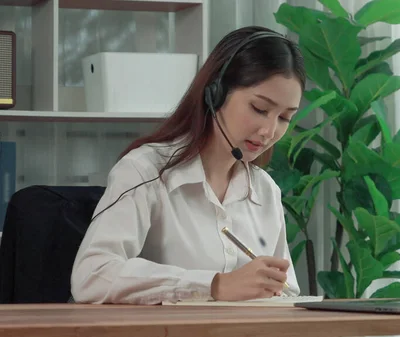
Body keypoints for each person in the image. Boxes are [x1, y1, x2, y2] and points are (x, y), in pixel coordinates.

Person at [70, 26, 306, 305]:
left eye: (284, 118)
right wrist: (215, 285)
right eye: (259, 109)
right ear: (215, 93)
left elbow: (287, 291)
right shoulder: (145, 171)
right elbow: (92, 276)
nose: (269, 131)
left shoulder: (265, 190)